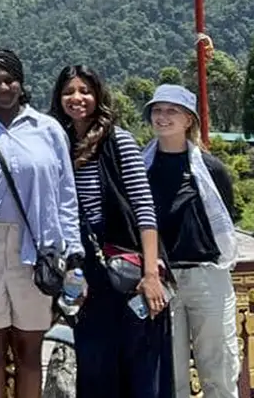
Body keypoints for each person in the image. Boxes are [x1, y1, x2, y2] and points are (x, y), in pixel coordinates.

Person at [0, 49, 81, 398]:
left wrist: (73, 253)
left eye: (9, 79)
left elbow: (65, 194)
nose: (2, 87)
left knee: (30, 346)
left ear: (21, 81)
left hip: (37, 248)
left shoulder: (48, 130)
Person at [50, 65, 171, 398]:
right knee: (95, 362)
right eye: (69, 92)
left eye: (85, 91)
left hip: (128, 266)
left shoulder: (118, 140)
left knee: (140, 363)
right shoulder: (58, 143)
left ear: (98, 96)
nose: (78, 98)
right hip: (84, 266)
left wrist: (151, 274)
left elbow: (145, 209)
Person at [141, 84, 238, 398]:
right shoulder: (141, 168)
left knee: (219, 368)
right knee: (170, 374)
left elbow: (224, 219)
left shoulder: (210, 170)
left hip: (207, 277)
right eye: (157, 110)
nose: (163, 117)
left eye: (172, 111)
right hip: (163, 282)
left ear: (189, 120)